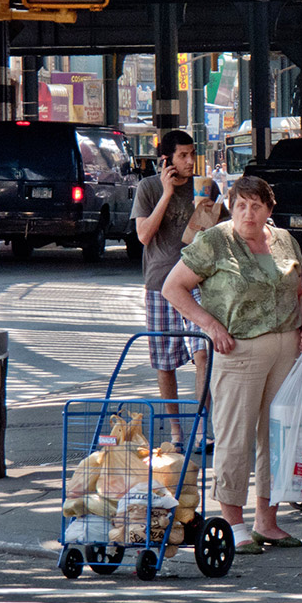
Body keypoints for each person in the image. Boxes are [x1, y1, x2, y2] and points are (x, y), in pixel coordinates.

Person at [161, 176, 302, 555]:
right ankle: (234, 523)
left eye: (257, 205)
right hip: (238, 350)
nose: (249, 213)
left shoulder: (284, 241)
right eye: (241, 204)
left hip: (286, 347)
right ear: (230, 205)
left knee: (276, 437)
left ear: (269, 209)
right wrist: (210, 326)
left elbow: (297, 287)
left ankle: (268, 521)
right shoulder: (214, 241)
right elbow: (172, 287)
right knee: (235, 437)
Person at [130, 129, 219, 444]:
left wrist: (206, 208)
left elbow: (215, 236)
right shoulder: (149, 188)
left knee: (203, 353)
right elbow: (143, 235)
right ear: (166, 159)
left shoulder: (206, 186)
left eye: (192, 154)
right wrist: (167, 193)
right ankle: (177, 432)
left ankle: (201, 428)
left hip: (196, 281)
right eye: (183, 155)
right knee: (165, 362)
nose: (190, 161)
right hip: (159, 282)